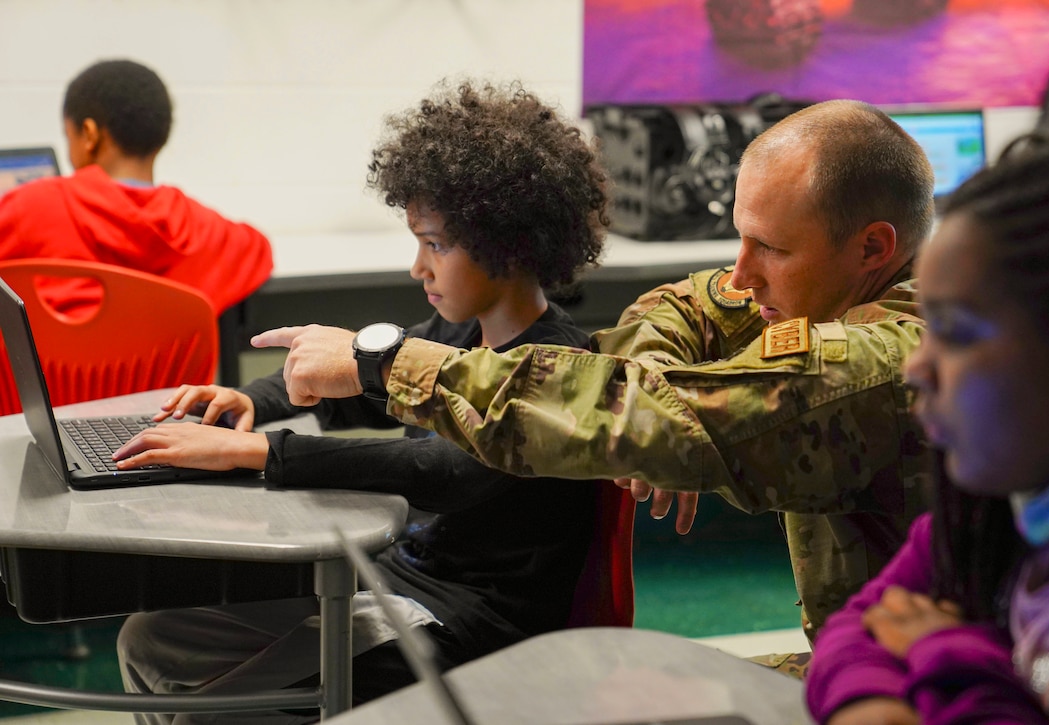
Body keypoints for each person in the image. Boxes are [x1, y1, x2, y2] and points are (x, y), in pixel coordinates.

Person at [252, 99, 937, 645]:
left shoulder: (886, 366)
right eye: (741, 236)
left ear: (873, 247)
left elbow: (637, 414)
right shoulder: (828, 288)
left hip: (939, 687)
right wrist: (650, 406)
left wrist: (381, 365)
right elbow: (681, 306)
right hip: (873, 655)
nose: (741, 271)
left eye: (772, 248)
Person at [110, 78, 610, 724]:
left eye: (434, 244)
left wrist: (259, 452)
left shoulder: (561, 368)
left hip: (470, 627)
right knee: (148, 639)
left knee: (219, 712)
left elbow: (437, 472)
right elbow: (364, 384)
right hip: (397, 583)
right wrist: (249, 402)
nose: (417, 268)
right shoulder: (458, 334)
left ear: (506, 244)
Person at [804, 130, 1049, 723]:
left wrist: (948, 653)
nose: (916, 367)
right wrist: (876, 705)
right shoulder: (985, 521)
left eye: (956, 332)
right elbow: (855, 628)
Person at [0, 58, 273, 319]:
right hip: (161, 370)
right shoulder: (199, 227)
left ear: (89, 135)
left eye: (68, 136)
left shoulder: (28, 208)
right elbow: (259, 250)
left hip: (47, 369)